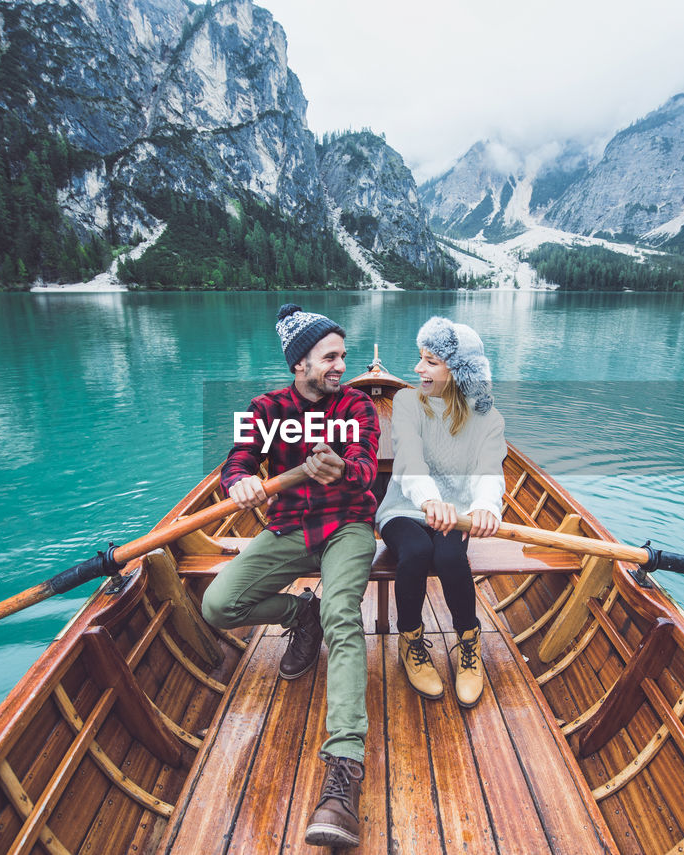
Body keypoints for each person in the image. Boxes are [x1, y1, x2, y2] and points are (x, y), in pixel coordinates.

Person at [200, 304, 379, 849]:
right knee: (217, 606)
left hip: (347, 524)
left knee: (344, 614)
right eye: (330, 357)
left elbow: (367, 465)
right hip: (287, 528)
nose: (340, 366)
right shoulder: (263, 407)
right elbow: (236, 459)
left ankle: (344, 769)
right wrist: (238, 483)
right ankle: (301, 613)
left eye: (343, 356)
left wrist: (343, 468)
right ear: (299, 362)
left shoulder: (358, 405)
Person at [374, 316, 505, 708]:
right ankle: (410, 641)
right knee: (415, 552)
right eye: (420, 358)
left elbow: (489, 473)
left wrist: (483, 508)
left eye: (430, 361)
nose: (418, 369)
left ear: (458, 369)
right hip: (405, 509)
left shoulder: (488, 419)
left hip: (459, 515)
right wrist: (430, 501)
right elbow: (410, 460)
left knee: (450, 557)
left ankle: (468, 643)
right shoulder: (406, 403)